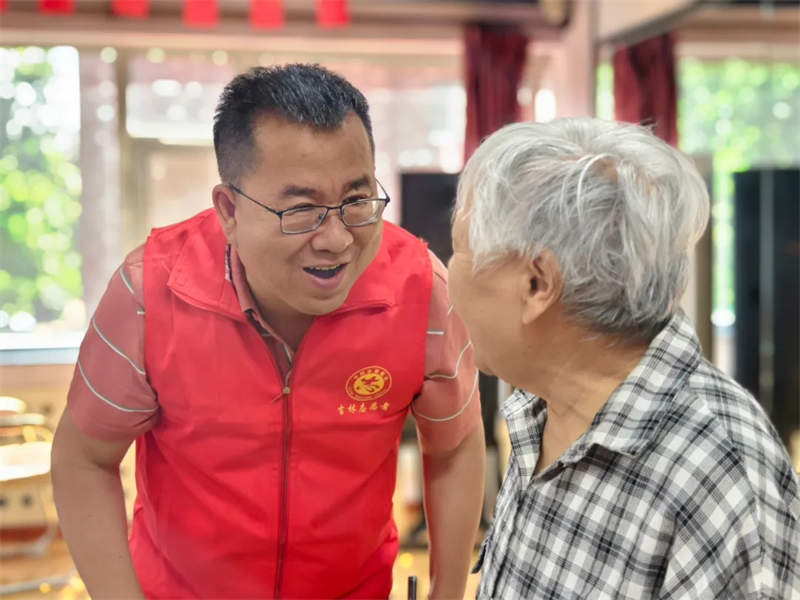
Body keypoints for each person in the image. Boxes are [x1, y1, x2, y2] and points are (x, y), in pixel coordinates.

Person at [51, 64, 485, 600]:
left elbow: (456, 446)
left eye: (356, 201)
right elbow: (83, 460)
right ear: (229, 210)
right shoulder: (150, 294)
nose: (336, 240)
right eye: (301, 210)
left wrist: (448, 591)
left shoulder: (421, 292)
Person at [448, 118, 800, 599]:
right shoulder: (543, 407)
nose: (448, 276)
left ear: (536, 283)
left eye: (459, 250)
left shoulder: (717, 473)